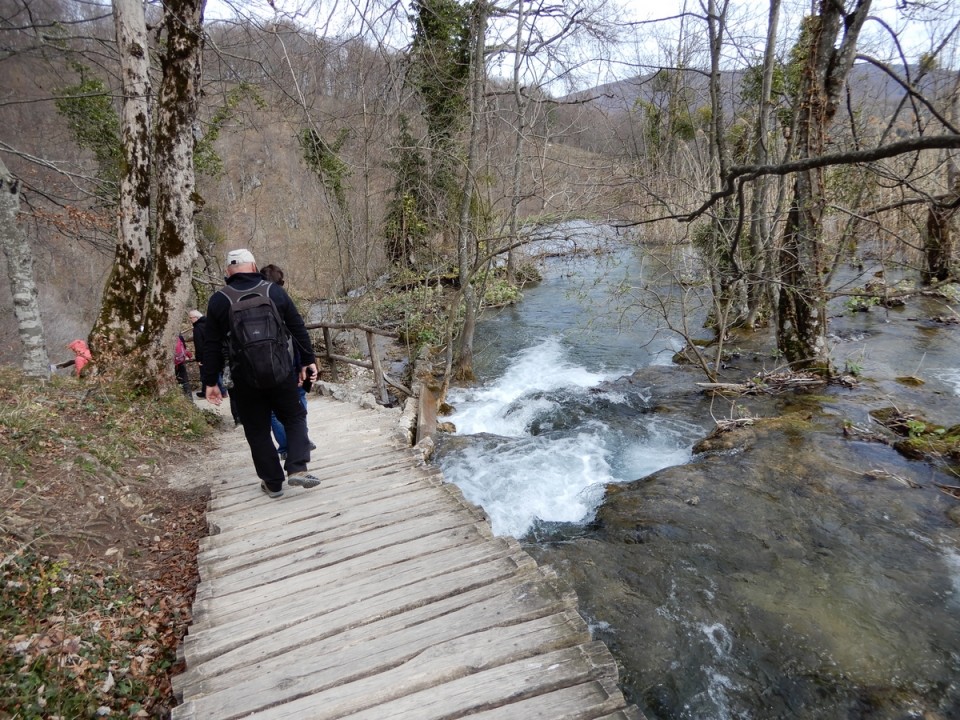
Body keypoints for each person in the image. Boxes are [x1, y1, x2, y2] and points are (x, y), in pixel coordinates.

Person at [201, 248, 321, 499]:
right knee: (294, 416)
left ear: (227, 272)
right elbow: (297, 327)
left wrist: (210, 382)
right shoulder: (273, 291)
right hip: (280, 372)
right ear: (254, 267)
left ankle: (273, 483)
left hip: (244, 378)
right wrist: (307, 361)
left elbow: (210, 345)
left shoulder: (219, 300)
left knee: (257, 430)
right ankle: (297, 467)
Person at [259, 263, 316, 459]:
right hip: (290, 361)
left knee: (274, 410)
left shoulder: (253, 304)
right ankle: (302, 441)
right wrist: (306, 362)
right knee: (298, 401)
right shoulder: (282, 299)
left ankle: (285, 447)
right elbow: (298, 331)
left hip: (264, 367)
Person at [189, 309, 240, 424]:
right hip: (233, 359)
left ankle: (238, 418)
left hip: (220, 359)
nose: (190, 321)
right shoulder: (214, 325)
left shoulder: (198, 328)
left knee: (230, 388)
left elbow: (200, 345)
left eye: (190, 318)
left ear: (195, 318)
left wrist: (200, 358)